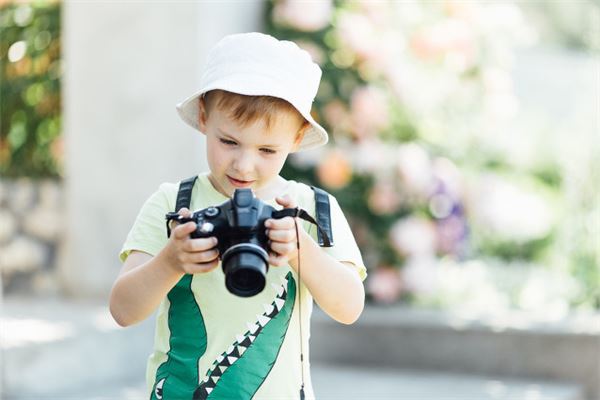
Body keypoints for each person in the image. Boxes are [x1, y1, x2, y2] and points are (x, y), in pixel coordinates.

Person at [109, 32, 366, 400]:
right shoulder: (173, 202)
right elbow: (122, 310)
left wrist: (300, 250)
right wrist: (171, 261)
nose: (244, 165)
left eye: (266, 149)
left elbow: (349, 307)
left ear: (297, 137)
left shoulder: (312, 207)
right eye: (228, 141)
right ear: (203, 118)